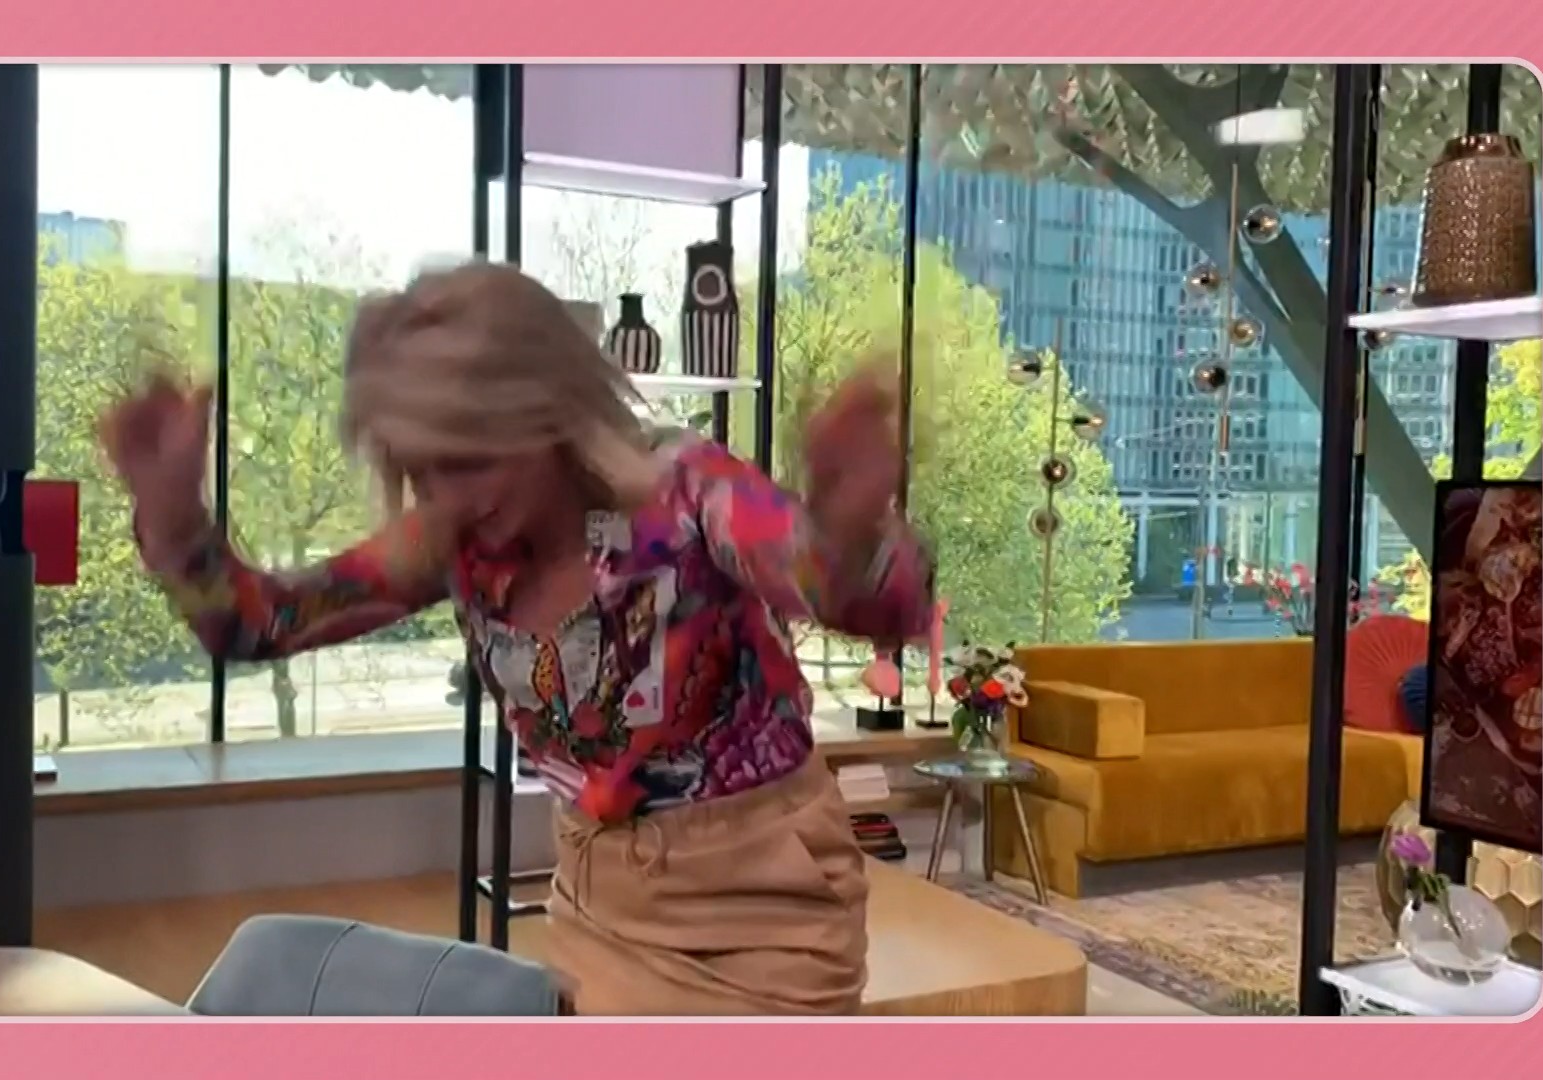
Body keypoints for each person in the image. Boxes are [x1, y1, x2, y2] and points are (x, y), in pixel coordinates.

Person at [99, 262, 936, 1016]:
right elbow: (264, 623)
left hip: (761, 918)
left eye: (470, 459)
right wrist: (175, 523)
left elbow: (842, 590)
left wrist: (850, 534)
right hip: (597, 910)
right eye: (422, 470)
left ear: (545, 411)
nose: (449, 497)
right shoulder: (452, 540)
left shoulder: (683, 490)